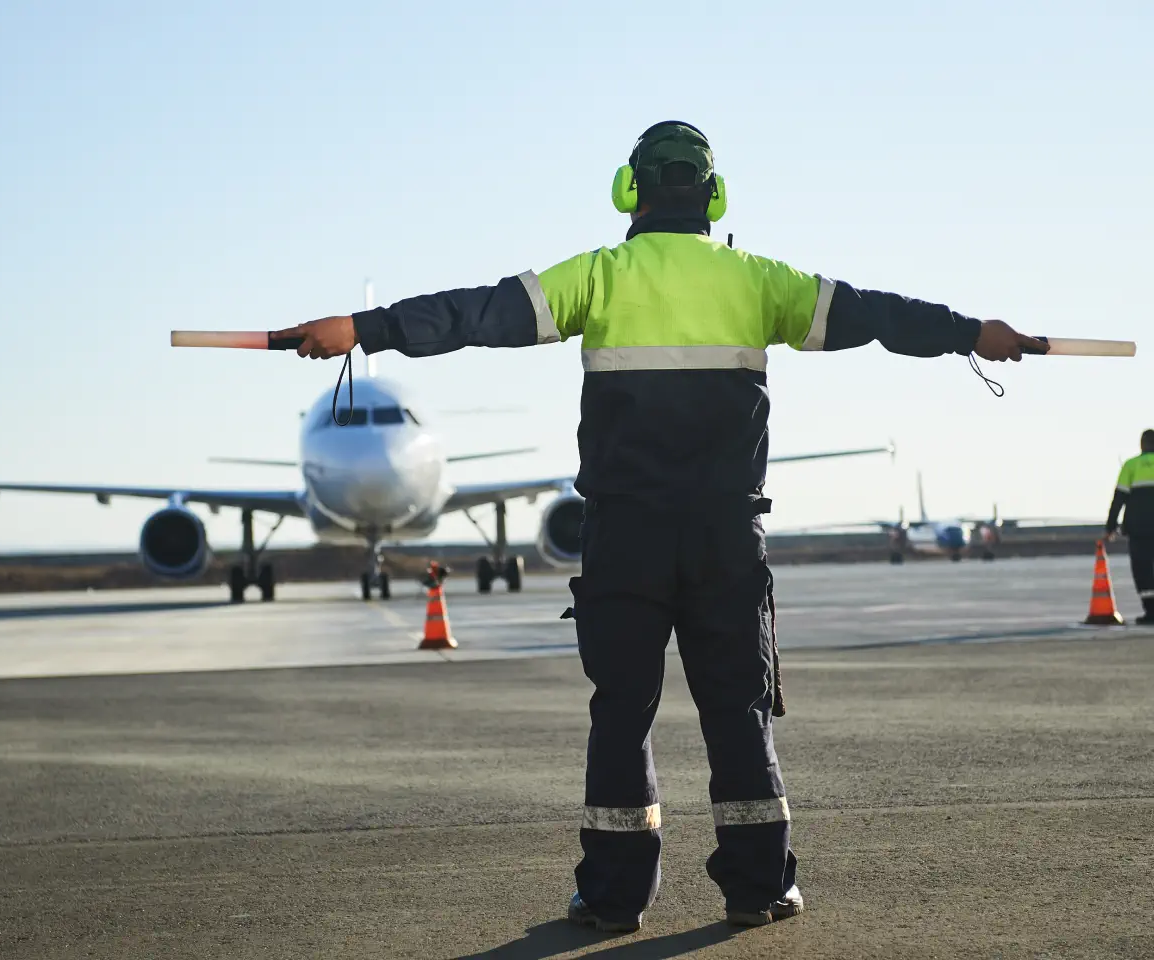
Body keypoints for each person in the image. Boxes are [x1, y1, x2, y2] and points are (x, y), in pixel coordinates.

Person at [271, 121, 1047, 932]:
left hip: (625, 539)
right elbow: (880, 315)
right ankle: (758, 889)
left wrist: (364, 329)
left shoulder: (600, 277)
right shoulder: (759, 281)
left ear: (629, 193)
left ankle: (612, 900)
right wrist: (972, 335)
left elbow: (476, 314)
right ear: (714, 196)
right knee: (738, 713)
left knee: (623, 713)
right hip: (725, 541)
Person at [1106, 429, 1154, 625]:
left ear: (1141, 445)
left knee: (1142, 571)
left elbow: (1119, 498)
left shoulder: (1131, 465)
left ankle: (1151, 612)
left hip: (1139, 530)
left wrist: (1110, 527)